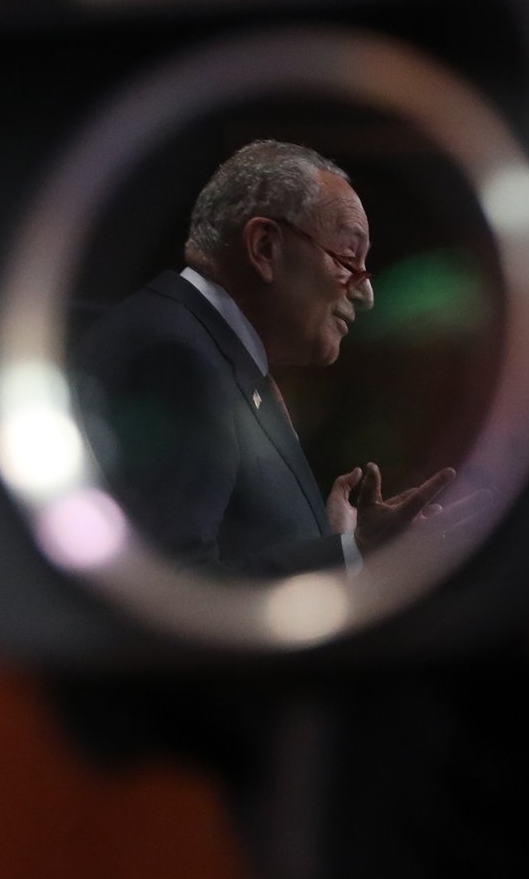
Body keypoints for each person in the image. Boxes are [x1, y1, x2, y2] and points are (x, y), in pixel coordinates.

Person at [72, 137, 445, 577]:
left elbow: (233, 547)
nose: (366, 293)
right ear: (266, 248)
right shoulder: (174, 357)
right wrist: (352, 553)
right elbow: (174, 592)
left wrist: (325, 540)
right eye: (348, 258)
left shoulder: (209, 349)